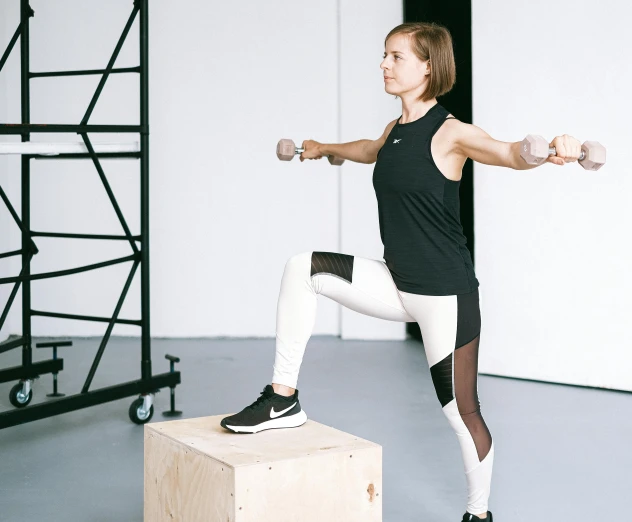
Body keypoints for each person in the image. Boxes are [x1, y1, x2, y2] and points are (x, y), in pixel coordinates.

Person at [220, 22, 583, 522]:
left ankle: (479, 514)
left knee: (461, 413)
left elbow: (507, 152)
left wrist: (545, 149)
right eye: (384, 56)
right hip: (395, 284)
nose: (384, 65)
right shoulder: (395, 131)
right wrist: (322, 148)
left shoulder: (452, 132)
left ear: (428, 66)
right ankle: (282, 400)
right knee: (302, 267)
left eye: (396, 57)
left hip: (445, 298)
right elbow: (368, 149)